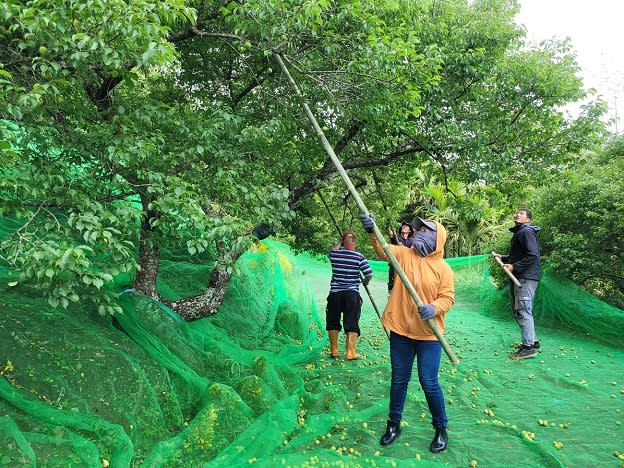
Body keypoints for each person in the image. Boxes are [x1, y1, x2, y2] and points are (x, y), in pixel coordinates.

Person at [359, 213, 454, 453]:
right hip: (401, 332)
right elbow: (383, 250)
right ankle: (393, 425)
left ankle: (441, 428)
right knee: (399, 380)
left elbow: (448, 298)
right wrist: (372, 231)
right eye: (417, 230)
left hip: (429, 337)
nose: (417, 233)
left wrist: (435, 308)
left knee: (429, 382)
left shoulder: (444, 269)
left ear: (436, 239)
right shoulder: (403, 254)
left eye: (424, 231)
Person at [493, 208, 541, 360]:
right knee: (523, 309)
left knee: (523, 310)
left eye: (521, 213)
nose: (517, 214)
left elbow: (533, 255)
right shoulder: (521, 232)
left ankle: (528, 348)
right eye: (517, 213)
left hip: (525, 277)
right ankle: (532, 342)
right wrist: (505, 258)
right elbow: (519, 256)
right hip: (523, 276)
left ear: (528, 219)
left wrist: (515, 267)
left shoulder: (526, 231)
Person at [326, 230, 373, 360]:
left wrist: (340, 242)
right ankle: (350, 352)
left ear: (342, 242)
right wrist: (364, 281)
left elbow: (333, 249)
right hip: (351, 294)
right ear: (355, 243)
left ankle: (334, 350)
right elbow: (369, 273)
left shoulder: (334, 254)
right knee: (351, 320)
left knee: (333, 320)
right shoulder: (359, 257)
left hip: (335, 293)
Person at [387, 222, 414, 293]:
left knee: (405, 286)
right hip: (395, 265)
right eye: (403, 226)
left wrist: (402, 247)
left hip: (406, 266)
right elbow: (391, 236)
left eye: (406, 226)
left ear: (410, 230)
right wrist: (388, 225)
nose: (404, 227)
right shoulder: (397, 238)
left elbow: (411, 251)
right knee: (392, 286)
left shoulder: (412, 240)